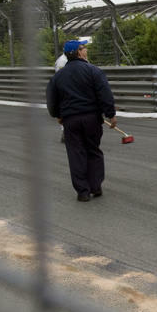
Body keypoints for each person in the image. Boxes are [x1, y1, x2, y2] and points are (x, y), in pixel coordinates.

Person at [46, 39, 117, 202]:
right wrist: (111, 114)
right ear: (78, 52)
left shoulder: (58, 77)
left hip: (70, 120)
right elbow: (105, 94)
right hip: (92, 118)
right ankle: (96, 186)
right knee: (93, 150)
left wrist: (57, 115)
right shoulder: (93, 71)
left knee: (76, 154)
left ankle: (83, 192)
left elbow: (51, 100)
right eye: (84, 48)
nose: (86, 50)